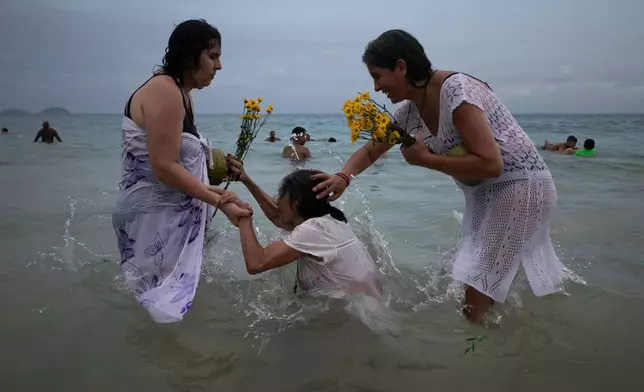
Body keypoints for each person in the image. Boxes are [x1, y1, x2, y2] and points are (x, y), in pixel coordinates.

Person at [312, 29, 563, 323]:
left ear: (402, 67)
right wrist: (343, 177)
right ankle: (514, 333)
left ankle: (480, 351)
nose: (377, 87)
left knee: (476, 289)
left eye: (378, 76)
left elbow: (491, 164)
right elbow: (370, 151)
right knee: (471, 274)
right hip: (485, 192)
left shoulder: (457, 91)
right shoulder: (409, 112)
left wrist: (427, 160)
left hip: (520, 186)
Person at [112, 19, 252, 324]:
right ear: (190, 56)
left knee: (175, 305)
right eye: (213, 57)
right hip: (152, 222)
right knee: (157, 310)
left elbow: (179, 158)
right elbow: (164, 167)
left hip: (171, 217)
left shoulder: (182, 94)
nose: (219, 66)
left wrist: (217, 176)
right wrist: (219, 201)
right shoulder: (164, 90)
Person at [226, 157, 381, 299]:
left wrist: (243, 218)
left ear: (296, 202)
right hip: (365, 309)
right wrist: (246, 180)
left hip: (350, 314)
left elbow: (256, 263)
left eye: (280, 195)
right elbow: (278, 216)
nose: (277, 201)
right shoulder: (331, 222)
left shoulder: (313, 229)